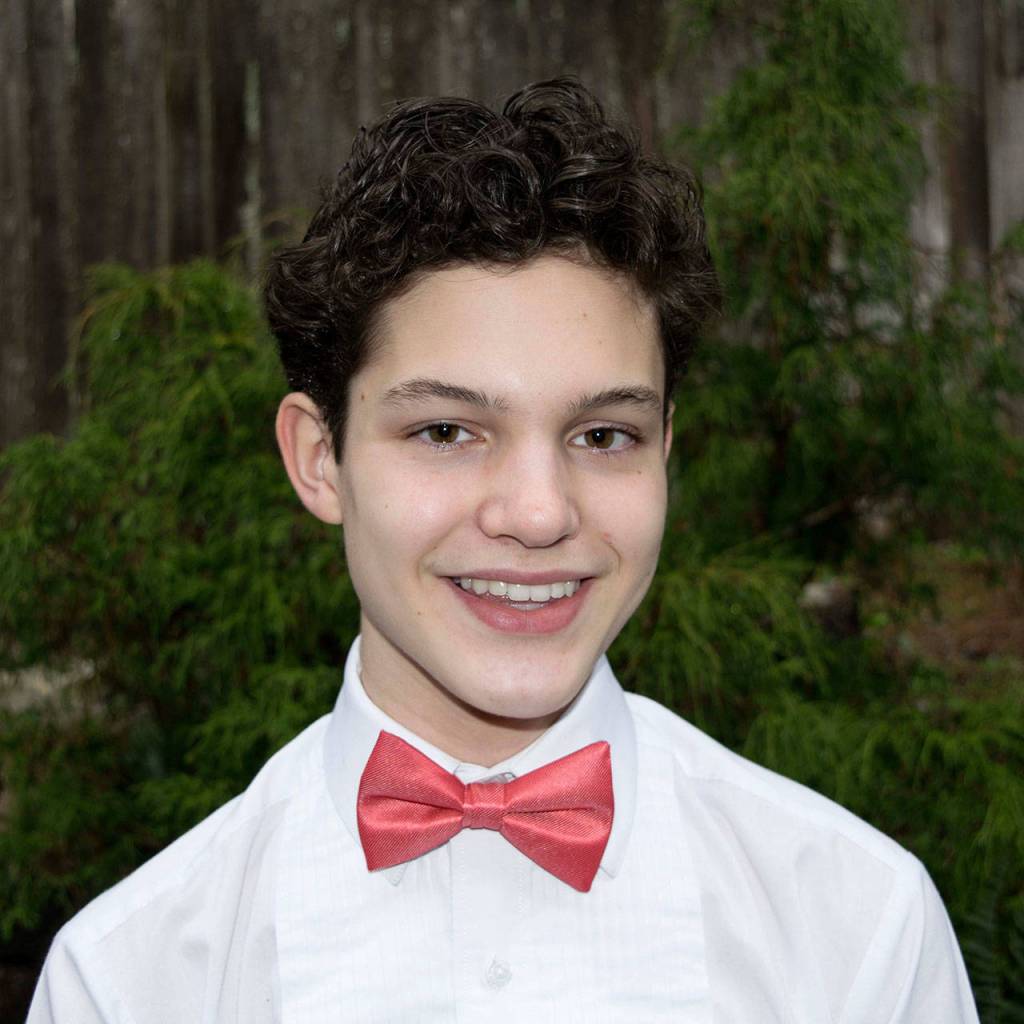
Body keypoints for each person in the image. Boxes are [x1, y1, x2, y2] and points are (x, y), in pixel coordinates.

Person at [28, 77, 978, 1023]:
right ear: (320, 460)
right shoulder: (126, 984)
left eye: (603, 435)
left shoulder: (861, 930)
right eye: (446, 431)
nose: (538, 512)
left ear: (664, 451)